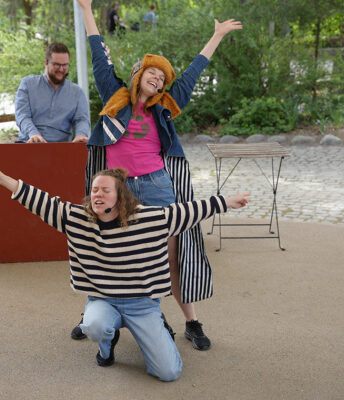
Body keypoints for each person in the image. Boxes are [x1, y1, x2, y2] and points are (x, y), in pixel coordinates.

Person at [0, 155, 250, 381]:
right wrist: (3, 180)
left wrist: (226, 202)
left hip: (143, 304)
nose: (97, 194)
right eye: (95, 190)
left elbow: (190, 210)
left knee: (169, 372)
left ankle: (154, 334)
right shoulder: (77, 219)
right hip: (103, 300)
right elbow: (41, 201)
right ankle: (106, 348)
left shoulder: (150, 219)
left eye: (105, 190)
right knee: (94, 325)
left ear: (120, 197)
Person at [76, 0, 243, 351]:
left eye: (164, 77)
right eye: (153, 73)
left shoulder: (164, 107)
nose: (159, 79)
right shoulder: (115, 97)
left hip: (155, 185)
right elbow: (98, 56)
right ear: (139, 75)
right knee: (102, 247)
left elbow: (193, 73)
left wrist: (216, 35)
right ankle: (94, 312)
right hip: (117, 186)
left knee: (172, 254)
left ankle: (191, 322)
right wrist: (86, 9)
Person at [14, 42, 90, 143]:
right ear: (46, 63)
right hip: (29, 143)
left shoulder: (77, 92)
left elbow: (81, 119)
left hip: (61, 148)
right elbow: (22, 116)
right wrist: (34, 134)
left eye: (65, 65)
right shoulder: (27, 84)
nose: (61, 69)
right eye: (56, 65)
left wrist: (81, 134)